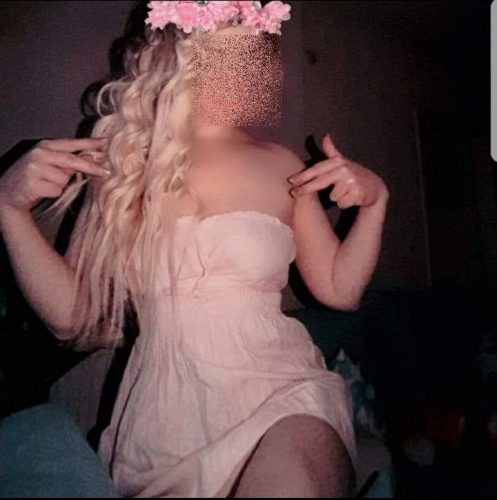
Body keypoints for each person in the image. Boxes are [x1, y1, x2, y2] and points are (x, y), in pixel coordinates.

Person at [0, 0, 389, 497]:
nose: (264, 66)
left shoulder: (282, 163)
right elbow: (74, 318)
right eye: (240, 49)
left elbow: (339, 289)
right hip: (162, 424)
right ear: (179, 54)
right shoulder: (123, 169)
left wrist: (375, 204)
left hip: (285, 395)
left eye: (262, 51)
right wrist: (9, 210)